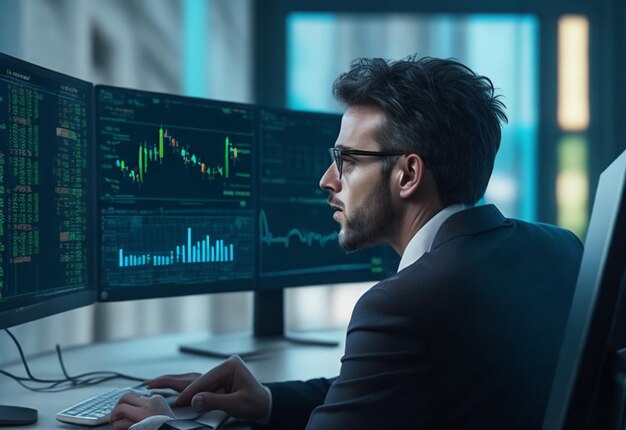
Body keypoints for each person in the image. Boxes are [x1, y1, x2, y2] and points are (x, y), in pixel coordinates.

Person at [110, 56, 583, 430]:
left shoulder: (403, 305)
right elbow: (383, 388)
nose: (327, 180)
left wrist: (163, 425)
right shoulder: (562, 249)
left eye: (347, 160)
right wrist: (270, 401)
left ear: (408, 174)